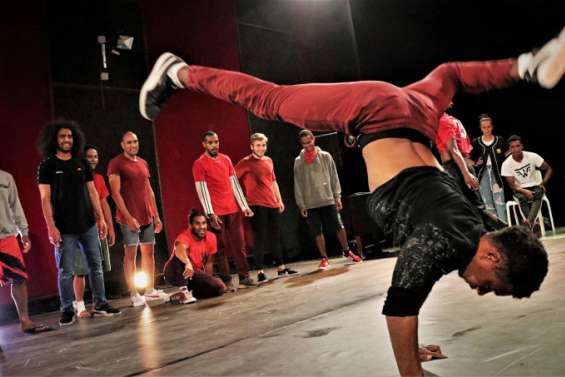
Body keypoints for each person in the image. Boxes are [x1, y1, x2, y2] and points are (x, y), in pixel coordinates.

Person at [139, 27, 564, 376]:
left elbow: (515, 238)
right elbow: (399, 308)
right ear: (490, 256)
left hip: (415, 111)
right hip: (376, 111)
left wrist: (414, 351)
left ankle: (527, 65)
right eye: (493, 287)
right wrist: (411, 371)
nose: (481, 291)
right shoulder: (442, 242)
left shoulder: (483, 225)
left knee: (449, 73)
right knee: (268, 100)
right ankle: (178, 72)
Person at [37, 120, 121, 326]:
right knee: (66, 271)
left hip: (88, 224)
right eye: (62, 137)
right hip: (64, 229)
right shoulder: (47, 166)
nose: (67, 140)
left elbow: (92, 191)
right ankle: (67, 309)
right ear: (54, 140)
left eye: (70, 136)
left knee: (96, 266)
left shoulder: (81, 162)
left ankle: (100, 303)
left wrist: (100, 218)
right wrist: (51, 227)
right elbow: (44, 199)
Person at [108, 131, 168, 307]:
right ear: (122, 145)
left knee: (149, 253)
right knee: (130, 256)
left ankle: (149, 290)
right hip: (129, 218)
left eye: (135, 142)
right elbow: (115, 194)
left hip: (146, 216)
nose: (133, 145)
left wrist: (156, 216)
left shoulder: (142, 162)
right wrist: (128, 217)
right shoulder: (116, 163)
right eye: (129, 143)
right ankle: (134, 293)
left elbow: (149, 191)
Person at [193, 131, 256, 289]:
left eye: (216, 142)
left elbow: (234, 183)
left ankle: (244, 276)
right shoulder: (200, 163)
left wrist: (244, 206)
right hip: (216, 213)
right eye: (210, 142)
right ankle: (226, 280)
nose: (214, 145)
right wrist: (210, 213)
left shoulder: (226, 159)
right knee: (220, 248)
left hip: (233, 210)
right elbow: (202, 190)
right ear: (204, 144)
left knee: (239, 244)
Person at [293, 129, 362, 270]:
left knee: (338, 226)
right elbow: (297, 183)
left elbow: (334, 177)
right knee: (317, 231)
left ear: (314, 139)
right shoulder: (298, 161)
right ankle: (324, 258)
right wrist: (301, 204)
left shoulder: (325, 156)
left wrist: (337, 196)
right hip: (310, 202)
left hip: (328, 198)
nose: (307, 145)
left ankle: (348, 251)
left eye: (309, 141)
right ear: (301, 143)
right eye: (304, 143)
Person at [235, 133, 298, 282]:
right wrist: (243, 202)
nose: (261, 148)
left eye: (263, 145)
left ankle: (281, 268)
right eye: (258, 145)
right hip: (256, 205)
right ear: (252, 146)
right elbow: (232, 180)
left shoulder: (269, 160)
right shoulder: (245, 162)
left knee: (275, 237)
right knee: (260, 238)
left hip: (271, 203)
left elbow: (273, 181)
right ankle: (260, 271)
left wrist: (279, 200)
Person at [0, 169, 53, 333]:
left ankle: (25, 321)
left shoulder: (6, 177)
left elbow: (15, 205)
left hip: (7, 237)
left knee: (19, 278)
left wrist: (24, 232)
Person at [72, 145, 116, 318]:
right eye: (89, 156)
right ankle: (80, 305)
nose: (92, 159)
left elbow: (104, 202)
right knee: (80, 269)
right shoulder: (76, 177)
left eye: (95, 156)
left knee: (97, 268)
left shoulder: (98, 178)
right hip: (80, 229)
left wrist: (108, 224)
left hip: (98, 228)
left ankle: (99, 303)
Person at [164, 210, 226, 302]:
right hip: (175, 272)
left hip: (194, 274)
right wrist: (187, 263)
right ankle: (184, 291)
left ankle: (182, 295)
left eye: (204, 223)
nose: (201, 227)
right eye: (197, 224)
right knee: (179, 259)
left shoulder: (211, 237)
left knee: (219, 287)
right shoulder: (185, 236)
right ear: (190, 225)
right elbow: (179, 249)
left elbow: (209, 262)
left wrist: (208, 281)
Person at [501, 135, 553, 229]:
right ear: (509, 149)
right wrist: (524, 191)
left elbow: (549, 169)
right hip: (519, 189)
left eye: (517, 146)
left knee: (539, 192)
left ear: (522, 146)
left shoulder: (532, 156)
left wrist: (543, 183)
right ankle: (533, 222)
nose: (516, 149)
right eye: (512, 147)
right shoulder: (506, 164)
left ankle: (529, 222)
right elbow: (512, 186)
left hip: (534, 185)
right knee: (522, 198)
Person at [471, 114, 509, 223]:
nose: (487, 129)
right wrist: (475, 163)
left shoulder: (500, 140)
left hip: (497, 174)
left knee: (500, 202)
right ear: (480, 128)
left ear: (492, 127)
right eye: (484, 127)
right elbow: (468, 159)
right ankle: (494, 231)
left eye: (488, 127)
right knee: (487, 203)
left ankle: (503, 228)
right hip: (483, 175)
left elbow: (508, 157)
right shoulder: (476, 142)